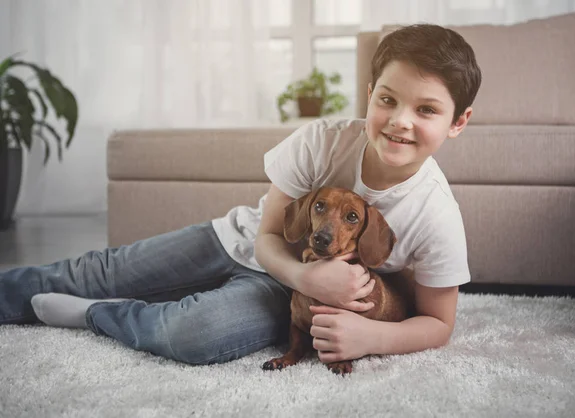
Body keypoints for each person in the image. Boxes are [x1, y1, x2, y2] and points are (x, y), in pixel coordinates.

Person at [0, 23, 481, 366]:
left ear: (458, 122)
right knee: (104, 270)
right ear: (371, 91)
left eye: (427, 109)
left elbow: (439, 324)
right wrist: (304, 275)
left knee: (194, 334)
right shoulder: (324, 140)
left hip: (278, 293)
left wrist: (370, 335)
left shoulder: (436, 212)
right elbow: (271, 234)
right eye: (388, 100)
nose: (401, 121)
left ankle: (95, 315)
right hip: (240, 240)